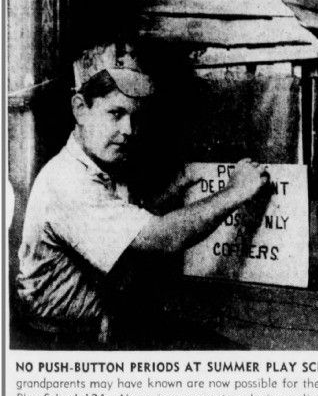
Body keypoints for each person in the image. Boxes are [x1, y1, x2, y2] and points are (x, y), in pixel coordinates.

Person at [16, 41, 270, 348]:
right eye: (116, 113)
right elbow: (161, 237)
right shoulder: (67, 182)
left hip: (95, 331)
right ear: (80, 109)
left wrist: (181, 184)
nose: (129, 130)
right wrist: (237, 191)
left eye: (136, 117)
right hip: (58, 346)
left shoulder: (100, 166)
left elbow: (128, 215)